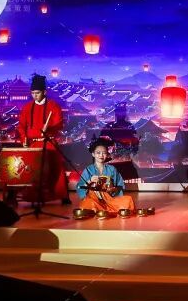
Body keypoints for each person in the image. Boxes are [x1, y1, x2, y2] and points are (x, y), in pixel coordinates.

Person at [16, 74, 69, 203]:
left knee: (56, 166)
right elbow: (21, 126)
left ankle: (61, 195)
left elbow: (59, 124)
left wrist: (49, 129)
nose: (35, 96)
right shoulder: (27, 107)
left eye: (37, 93)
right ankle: (32, 195)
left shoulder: (54, 106)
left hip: (48, 142)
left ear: (44, 92)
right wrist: (24, 138)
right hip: (33, 144)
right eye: (32, 93)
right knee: (30, 169)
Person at [75, 139, 135, 215]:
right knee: (88, 204)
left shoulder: (112, 169)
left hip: (110, 200)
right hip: (94, 200)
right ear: (93, 154)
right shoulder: (88, 170)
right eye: (98, 153)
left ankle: (102, 210)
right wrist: (90, 181)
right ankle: (101, 209)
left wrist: (113, 189)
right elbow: (80, 187)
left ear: (107, 154)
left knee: (128, 200)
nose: (101, 155)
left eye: (104, 153)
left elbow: (120, 185)